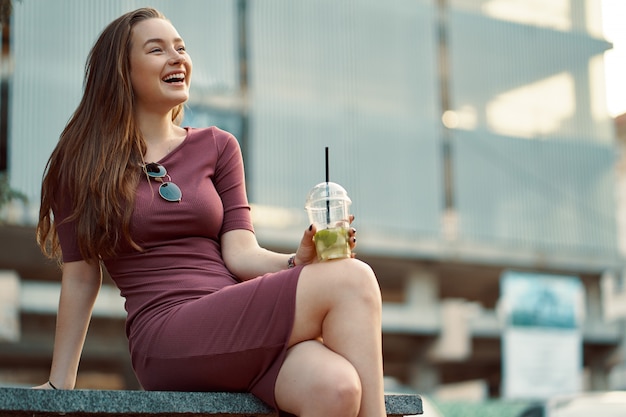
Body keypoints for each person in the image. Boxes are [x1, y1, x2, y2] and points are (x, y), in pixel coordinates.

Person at [34, 7, 385, 417]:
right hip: (167, 335)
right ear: (122, 72)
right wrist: (61, 382)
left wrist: (296, 260)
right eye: (157, 50)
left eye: (181, 48)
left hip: (235, 318)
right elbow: (81, 276)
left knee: (336, 389)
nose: (176, 57)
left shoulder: (218, 146)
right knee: (353, 279)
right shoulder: (81, 163)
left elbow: (240, 253)